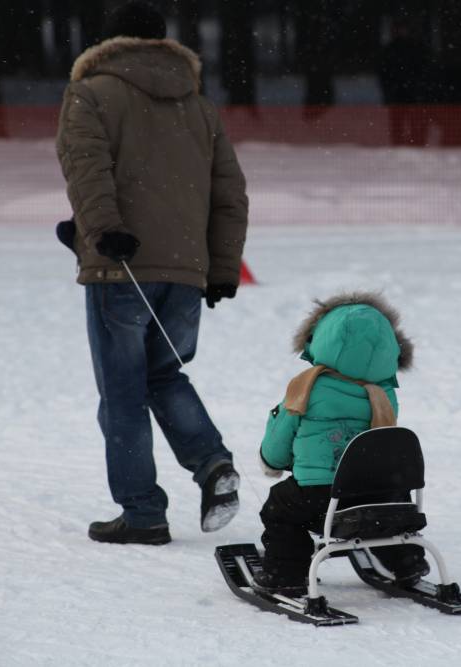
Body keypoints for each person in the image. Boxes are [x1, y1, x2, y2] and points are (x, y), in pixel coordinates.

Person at [55, 2, 249, 545]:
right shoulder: (200, 107)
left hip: (121, 268)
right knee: (163, 376)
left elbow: (87, 172)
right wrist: (222, 267)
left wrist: (102, 231)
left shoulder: (90, 94)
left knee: (122, 393)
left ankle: (142, 514)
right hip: (185, 269)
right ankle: (212, 466)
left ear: (107, 41)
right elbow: (229, 194)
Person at [253, 292, 429, 595]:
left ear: (322, 339)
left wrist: (272, 462)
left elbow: (279, 443)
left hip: (321, 497)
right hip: (381, 494)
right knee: (382, 516)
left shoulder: (306, 388)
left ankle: (285, 572)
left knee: (280, 508)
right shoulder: (385, 395)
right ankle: (406, 560)